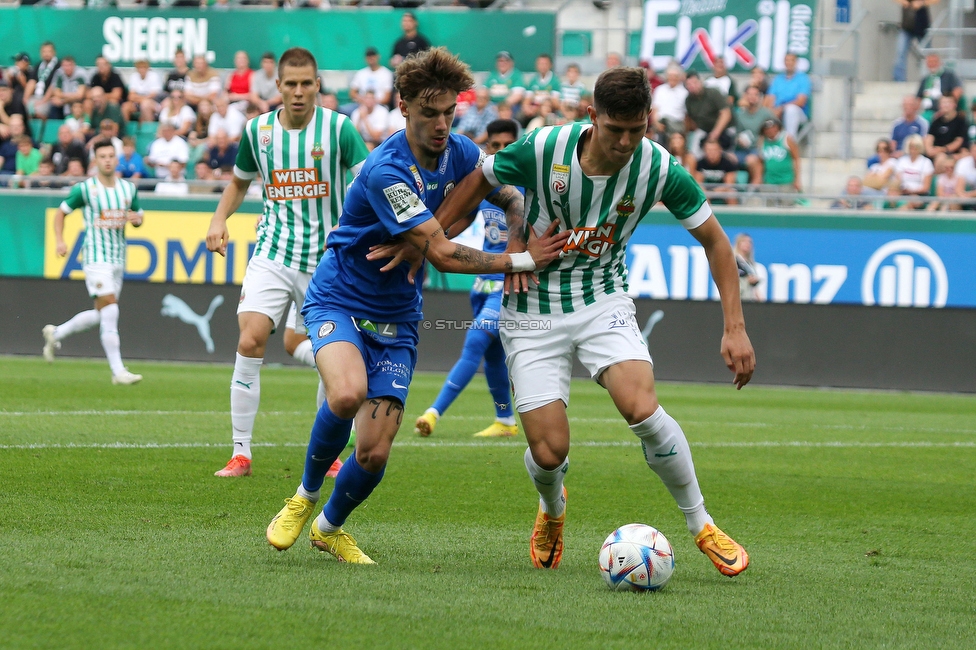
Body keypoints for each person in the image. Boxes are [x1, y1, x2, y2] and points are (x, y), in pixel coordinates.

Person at [432, 66, 754, 576]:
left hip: (602, 299)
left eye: (637, 129)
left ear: (649, 120)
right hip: (533, 304)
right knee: (549, 448)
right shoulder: (543, 149)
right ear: (592, 117)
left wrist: (734, 326)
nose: (626, 141)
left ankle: (702, 524)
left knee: (643, 409)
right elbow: (480, 181)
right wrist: (433, 237)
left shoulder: (658, 167)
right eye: (615, 129)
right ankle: (552, 510)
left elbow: (716, 241)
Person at [262, 47, 567, 563]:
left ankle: (329, 527)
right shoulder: (388, 169)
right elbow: (444, 257)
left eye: (450, 112)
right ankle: (305, 495)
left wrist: (516, 239)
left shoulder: (463, 153)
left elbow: (511, 197)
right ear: (403, 108)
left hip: (397, 314)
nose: (443, 124)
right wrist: (523, 263)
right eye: (430, 113)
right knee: (345, 394)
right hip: (338, 297)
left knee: (376, 451)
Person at [205, 47, 370, 478]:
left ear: (318, 85)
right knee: (250, 339)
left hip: (329, 262)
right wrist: (219, 219)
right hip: (274, 252)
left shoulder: (339, 130)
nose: (298, 92)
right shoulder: (257, 131)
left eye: (306, 84)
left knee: (327, 351)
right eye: (291, 84)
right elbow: (238, 184)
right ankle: (241, 454)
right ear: (277, 86)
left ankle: (330, 451)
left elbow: (369, 182)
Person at [414, 118, 521, 440]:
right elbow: (463, 217)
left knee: (476, 339)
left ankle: (433, 413)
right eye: (494, 146)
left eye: (507, 145)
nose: (501, 151)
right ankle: (505, 419)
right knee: (492, 357)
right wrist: (431, 241)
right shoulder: (487, 184)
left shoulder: (529, 187)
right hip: (483, 282)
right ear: (487, 148)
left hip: (507, 282)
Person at [42, 138, 144, 385]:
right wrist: (59, 240)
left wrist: (136, 219)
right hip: (96, 258)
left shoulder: (128, 189)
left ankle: (56, 332)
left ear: (116, 159)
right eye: (103, 156)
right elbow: (61, 212)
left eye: (111, 156)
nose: (108, 160)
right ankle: (118, 371)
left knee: (102, 314)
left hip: (118, 258)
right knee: (111, 310)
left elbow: (138, 215)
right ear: (95, 161)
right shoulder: (85, 189)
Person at [765, 53, 810, 139]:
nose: (789, 63)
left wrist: (781, 108)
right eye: (787, 60)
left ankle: (790, 142)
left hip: (798, 113)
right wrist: (772, 110)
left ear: (796, 62)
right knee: (765, 112)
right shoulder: (778, 78)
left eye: (792, 60)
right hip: (778, 112)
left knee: (791, 110)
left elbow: (801, 101)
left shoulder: (803, 78)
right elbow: (770, 98)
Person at [684, 71, 732, 153]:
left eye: (695, 82)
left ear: (701, 82)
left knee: (724, 152)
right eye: (689, 84)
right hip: (703, 130)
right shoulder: (688, 100)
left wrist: (715, 133)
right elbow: (690, 120)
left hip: (723, 129)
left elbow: (726, 114)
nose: (692, 86)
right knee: (693, 151)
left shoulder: (713, 93)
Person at [733, 85, 772, 184]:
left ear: (759, 97)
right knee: (728, 158)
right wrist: (738, 139)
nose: (752, 97)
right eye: (749, 94)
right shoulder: (739, 114)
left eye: (755, 95)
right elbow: (734, 133)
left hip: (758, 149)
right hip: (741, 149)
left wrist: (763, 141)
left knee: (752, 160)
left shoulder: (766, 113)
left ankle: (755, 188)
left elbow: (776, 131)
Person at [893, 0, 936, 82]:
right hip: (907, 27)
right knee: (900, 53)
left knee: (928, 54)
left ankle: (931, 79)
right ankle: (899, 80)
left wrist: (922, 3)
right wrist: (906, 3)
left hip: (922, 26)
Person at [759, 117, 801, 200]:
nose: (770, 130)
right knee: (769, 208)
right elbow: (761, 161)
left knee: (786, 209)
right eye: (767, 129)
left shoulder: (786, 138)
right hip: (769, 181)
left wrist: (797, 179)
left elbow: (796, 158)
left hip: (786, 180)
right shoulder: (762, 141)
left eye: (773, 127)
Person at [892, 133, 933, 209]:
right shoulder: (902, 161)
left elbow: (926, 187)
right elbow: (898, 180)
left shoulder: (926, 162)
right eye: (911, 147)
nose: (913, 150)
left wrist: (911, 191)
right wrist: (903, 189)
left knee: (911, 201)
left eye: (915, 147)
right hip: (903, 193)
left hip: (920, 195)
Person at [916, 53, 962, 117]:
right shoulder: (925, 79)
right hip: (928, 111)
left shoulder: (949, 75)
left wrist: (946, 107)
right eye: (929, 62)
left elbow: (958, 91)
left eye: (934, 61)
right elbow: (918, 98)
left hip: (946, 110)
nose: (932, 64)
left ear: (940, 63)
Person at [694, 138, 738, 203]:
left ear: (720, 150)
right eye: (709, 150)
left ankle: (735, 213)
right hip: (706, 192)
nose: (712, 153)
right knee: (702, 195)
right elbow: (699, 184)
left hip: (723, 191)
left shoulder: (728, 164)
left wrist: (713, 192)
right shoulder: (700, 164)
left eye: (714, 150)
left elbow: (729, 185)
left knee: (731, 194)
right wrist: (707, 193)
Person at [925, 95, 968, 160]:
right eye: (943, 102)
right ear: (939, 105)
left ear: (955, 105)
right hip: (935, 152)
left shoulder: (960, 121)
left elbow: (958, 141)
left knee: (941, 158)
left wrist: (943, 149)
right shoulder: (936, 122)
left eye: (949, 102)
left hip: (951, 154)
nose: (946, 105)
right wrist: (929, 150)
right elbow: (929, 137)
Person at [650, 64, 687, 140]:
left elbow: (686, 115)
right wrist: (657, 124)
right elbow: (655, 109)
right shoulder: (660, 90)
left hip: (676, 127)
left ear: (679, 77)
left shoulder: (684, 93)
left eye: (675, 76)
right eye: (670, 75)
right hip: (659, 125)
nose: (672, 78)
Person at [123, 60, 164, 124]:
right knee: (125, 106)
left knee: (145, 104)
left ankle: (149, 129)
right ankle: (126, 130)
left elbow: (154, 94)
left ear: (147, 68)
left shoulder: (154, 76)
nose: (142, 70)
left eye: (143, 67)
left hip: (153, 102)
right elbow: (131, 96)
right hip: (137, 103)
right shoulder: (134, 76)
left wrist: (138, 98)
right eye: (139, 67)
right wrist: (142, 98)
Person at [27, 42, 60, 120]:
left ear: (54, 52)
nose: (46, 54)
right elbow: (32, 81)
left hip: (48, 98)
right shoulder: (38, 65)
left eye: (49, 51)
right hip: (36, 96)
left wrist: (43, 101)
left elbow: (53, 86)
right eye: (44, 52)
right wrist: (25, 99)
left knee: (39, 111)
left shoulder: (59, 66)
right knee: (28, 108)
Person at [733, 233, 763, 302]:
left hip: (748, 298)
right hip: (737, 298)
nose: (747, 244)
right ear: (738, 243)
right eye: (744, 241)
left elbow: (755, 289)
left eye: (749, 242)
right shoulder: (733, 260)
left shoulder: (750, 264)